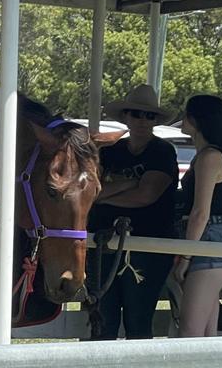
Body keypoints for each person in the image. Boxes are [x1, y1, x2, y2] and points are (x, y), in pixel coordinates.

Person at [87, 84, 178, 340]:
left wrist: (110, 191)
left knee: (138, 320)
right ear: (126, 116)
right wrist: (130, 183)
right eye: (136, 114)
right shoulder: (109, 151)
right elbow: (94, 192)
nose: (142, 120)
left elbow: (147, 195)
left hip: (148, 247)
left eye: (149, 116)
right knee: (102, 319)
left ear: (156, 120)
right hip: (103, 243)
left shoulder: (162, 151)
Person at [174, 94, 222, 337]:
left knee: (190, 333)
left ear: (197, 120)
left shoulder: (209, 158)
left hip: (207, 246)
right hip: (212, 247)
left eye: (187, 115)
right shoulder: (210, 156)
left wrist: (185, 257)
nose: (183, 119)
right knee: (206, 335)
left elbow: (200, 213)